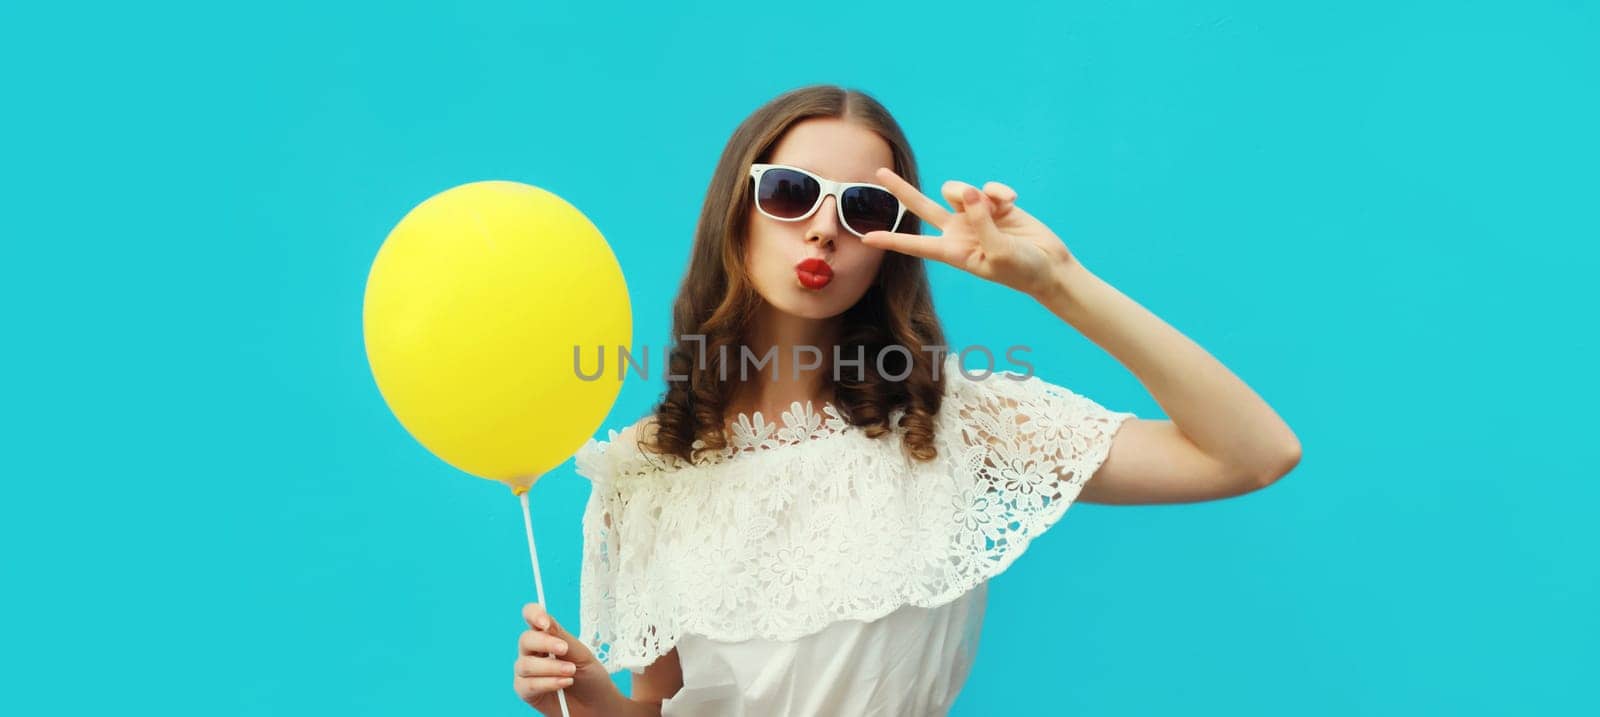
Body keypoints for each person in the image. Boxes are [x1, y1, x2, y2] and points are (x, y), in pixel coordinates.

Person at [512, 84, 1301, 716]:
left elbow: (1254, 453)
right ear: (735, 210)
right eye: (791, 192)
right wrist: (587, 700)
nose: (824, 229)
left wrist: (1060, 283)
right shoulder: (647, 468)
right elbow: (660, 709)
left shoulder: (957, 423)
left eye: (863, 208)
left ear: (890, 245)